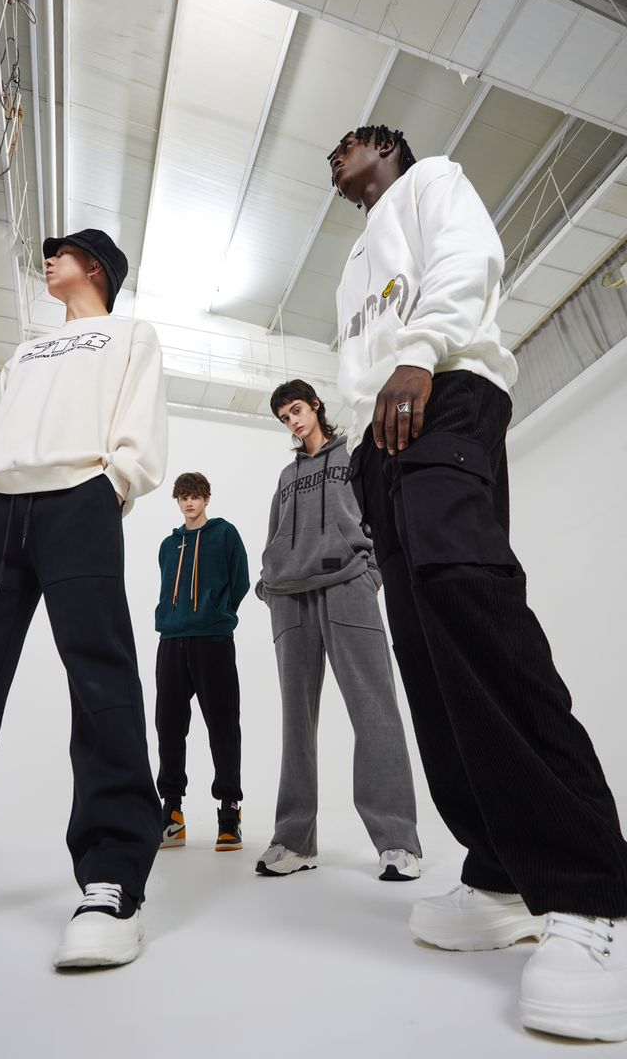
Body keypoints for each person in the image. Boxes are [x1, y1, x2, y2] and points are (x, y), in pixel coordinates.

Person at [329, 124, 627, 1042]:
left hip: (443, 390)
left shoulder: (435, 182)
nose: (336, 160)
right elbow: (356, 363)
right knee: (423, 648)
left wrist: (420, 350)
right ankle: (500, 872)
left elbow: (473, 254)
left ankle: (591, 890)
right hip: (378, 436)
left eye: (350, 145)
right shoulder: (349, 266)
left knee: (470, 598)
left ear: (387, 148)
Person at [0, 228, 168, 970]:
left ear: (98, 267)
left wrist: (110, 486)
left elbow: (138, 425)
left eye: (65, 252)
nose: (50, 260)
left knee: (100, 683)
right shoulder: (25, 351)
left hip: (78, 499)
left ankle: (112, 875)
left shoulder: (130, 333)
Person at [255, 379, 420, 880]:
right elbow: (274, 532)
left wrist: (371, 573)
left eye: (298, 409)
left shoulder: (353, 457)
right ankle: (295, 839)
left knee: (375, 709)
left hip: (347, 584)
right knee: (295, 722)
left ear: (317, 406)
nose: (294, 421)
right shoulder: (286, 475)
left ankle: (397, 841)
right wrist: (268, 585)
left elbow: (379, 514)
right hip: (289, 597)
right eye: (285, 417)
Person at [154, 472, 249, 851]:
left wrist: (218, 613)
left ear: (207, 498)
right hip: (171, 641)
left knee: (223, 723)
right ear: (177, 502)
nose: (189, 503)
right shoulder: (168, 545)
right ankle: (172, 812)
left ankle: (229, 810)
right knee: (169, 726)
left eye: (195, 496)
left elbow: (239, 581)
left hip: (213, 640)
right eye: (183, 497)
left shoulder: (224, 535)